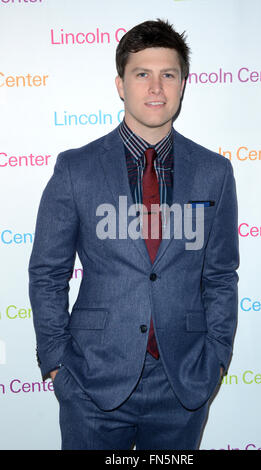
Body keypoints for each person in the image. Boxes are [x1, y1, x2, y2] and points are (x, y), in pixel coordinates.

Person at [28, 19, 239, 450]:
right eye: (142, 74)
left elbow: (220, 275)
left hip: (183, 382)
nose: (156, 88)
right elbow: (48, 273)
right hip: (91, 382)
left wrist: (216, 358)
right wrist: (56, 363)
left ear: (184, 84)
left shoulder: (215, 173)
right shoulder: (76, 169)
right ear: (121, 84)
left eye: (169, 74)